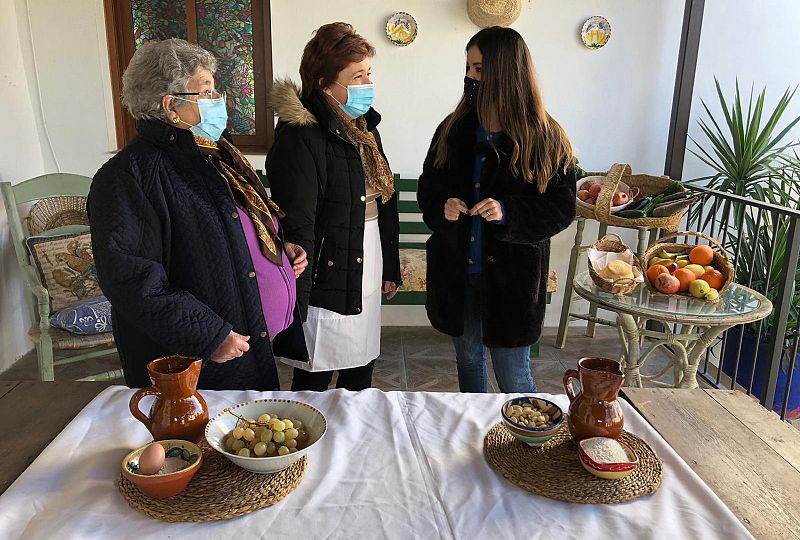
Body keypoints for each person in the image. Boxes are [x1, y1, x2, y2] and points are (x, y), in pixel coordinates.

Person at [89, 39, 307, 390]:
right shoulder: (130, 176)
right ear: (170, 105)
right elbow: (131, 279)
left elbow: (239, 223)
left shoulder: (215, 154)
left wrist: (279, 249)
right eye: (205, 92)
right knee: (197, 441)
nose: (218, 100)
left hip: (247, 344)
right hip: (200, 359)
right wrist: (208, 333)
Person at [417, 27, 576, 393]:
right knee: (468, 364)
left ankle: (524, 447)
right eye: (469, 67)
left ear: (505, 73)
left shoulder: (546, 138)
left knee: (514, 376)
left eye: (479, 69)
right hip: (458, 273)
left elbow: (561, 207)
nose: (470, 77)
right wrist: (444, 204)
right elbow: (429, 186)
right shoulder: (454, 128)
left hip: (512, 283)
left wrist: (508, 212)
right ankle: (479, 439)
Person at [265, 22, 401, 391]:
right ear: (326, 85)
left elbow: (384, 200)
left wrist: (391, 266)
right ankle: (308, 445)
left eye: (368, 73)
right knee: (316, 373)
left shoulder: (363, 127)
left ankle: (355, 442)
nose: (366, 83)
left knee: (361, 367)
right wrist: (299, 302)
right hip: (326, 272)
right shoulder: (301, 135)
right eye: (357, 76)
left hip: (365, 258)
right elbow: (299, 222)